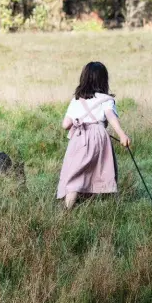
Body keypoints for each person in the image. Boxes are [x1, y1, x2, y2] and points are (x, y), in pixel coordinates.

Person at [57, 61, 130, 209]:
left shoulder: (76, 100)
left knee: (75, 173)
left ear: (84, 78)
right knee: (101, 170)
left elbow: (65, 125)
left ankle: (68, 209)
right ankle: (105, 206)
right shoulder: (107, 100)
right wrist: (122, 135)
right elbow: (110, 116)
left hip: (80, 137)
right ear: (104, 80)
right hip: (99, 136)